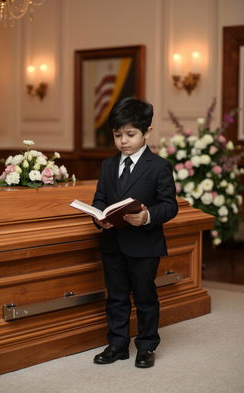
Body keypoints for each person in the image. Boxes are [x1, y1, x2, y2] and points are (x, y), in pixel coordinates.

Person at [92, 97, 178, 368]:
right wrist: (99, 218)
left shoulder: (159, 167)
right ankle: (117, 344)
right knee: (116, 297)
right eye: (118, 135)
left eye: (130, 134)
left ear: (147, 132)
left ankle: (146, 345)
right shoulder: (107, 165)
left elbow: (169, 205)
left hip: (144, 245)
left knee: (145, 297)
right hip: (113, 243)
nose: (123, 141)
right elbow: (100, 199)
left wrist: (147, 216)